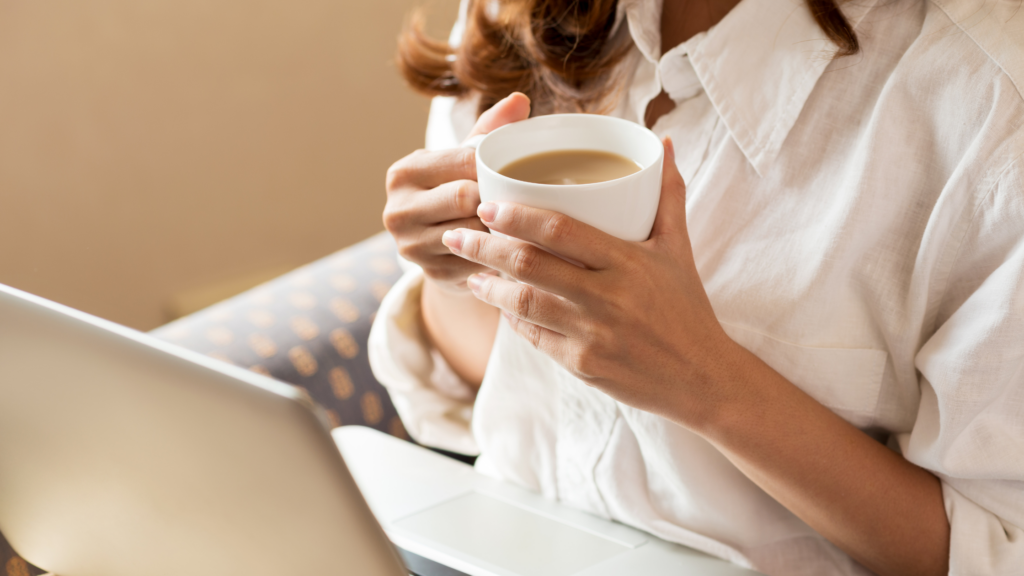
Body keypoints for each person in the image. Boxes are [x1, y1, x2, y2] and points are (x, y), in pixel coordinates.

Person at [369, 0, 1024, 574]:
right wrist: (457, 262)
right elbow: (495, 377)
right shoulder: (520, 16)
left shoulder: (988, 110)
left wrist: (702, 378)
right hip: (496, 547)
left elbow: (994, 549)